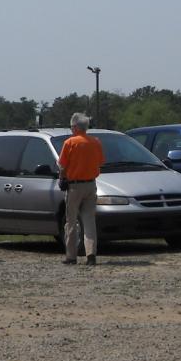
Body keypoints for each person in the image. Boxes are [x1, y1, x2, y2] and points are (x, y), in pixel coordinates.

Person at [56, 112, 105, 266]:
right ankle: (91, 255)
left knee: (71, 221)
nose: (71, 129)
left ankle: (71, 256)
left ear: (76, 127)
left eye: (71, 126)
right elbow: (100, 162)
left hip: (74, 186)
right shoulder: (95, 142)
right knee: (89, 221)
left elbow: (62, 166)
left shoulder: (70, 143)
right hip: (91, 185)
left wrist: (62, 178)